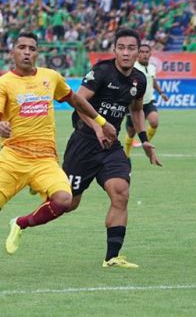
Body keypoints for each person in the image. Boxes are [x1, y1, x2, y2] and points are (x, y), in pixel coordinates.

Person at [0, 32, 117, 279]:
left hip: (45, 159)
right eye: (22, 47)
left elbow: (75, 100)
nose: (27, 52)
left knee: (64, 201)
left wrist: (100, 122)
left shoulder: (50, 77)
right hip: (13, 158)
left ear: (37, 53)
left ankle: (21, 223)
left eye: (32, 48)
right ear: (13, 53)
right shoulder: (4, 83)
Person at [63, 28, 162, 269]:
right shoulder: (100, 72)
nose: (126, 53)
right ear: (114, 50)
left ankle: (112, 257)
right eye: (122, 48)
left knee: (121, 192)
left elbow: (136, 110)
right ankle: (29, 209)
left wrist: (143, 138)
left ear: (138, 52)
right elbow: (78, 103)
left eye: (131, 49)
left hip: (110, 145)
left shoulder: (139, 80)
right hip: (84, 143)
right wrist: (98, 127)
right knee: (68, 203)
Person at [124, 42, 169, 156]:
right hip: (134, 104)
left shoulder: (152, 67)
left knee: (154, 122)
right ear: (138, 54)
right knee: (131, 132)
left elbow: (153, 81)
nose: (144, 54)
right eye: (142, 52)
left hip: (148, 102)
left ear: (150, 54)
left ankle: (144, 142)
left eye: (146, 52)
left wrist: (161, 92)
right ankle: (127, 154)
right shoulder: (132, 67)